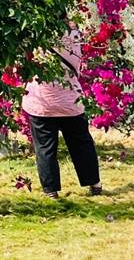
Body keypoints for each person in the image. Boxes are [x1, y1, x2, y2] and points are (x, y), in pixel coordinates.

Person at [22, 29, 101, 199]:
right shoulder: (73, 35)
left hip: (41, 102)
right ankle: (94, 183)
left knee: (45, 148)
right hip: (70, 102)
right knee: (81, 144)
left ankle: (51, 190)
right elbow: (77, 66)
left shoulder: (33, 35)